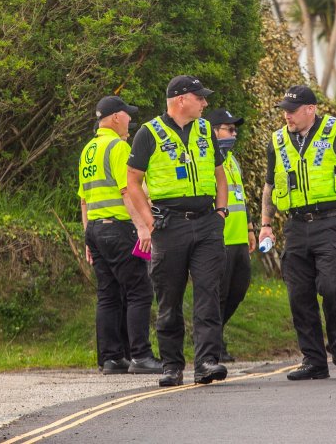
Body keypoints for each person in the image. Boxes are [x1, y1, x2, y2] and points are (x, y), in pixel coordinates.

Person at [258, 85, 336, 381]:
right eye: (284, 110)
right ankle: (313, 361)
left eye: (292, 111)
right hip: (295, 225)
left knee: (334, 287)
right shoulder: (278, 140)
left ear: (311, 109)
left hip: (331, 221)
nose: (287, 116)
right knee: (299, 294)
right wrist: (266, 224)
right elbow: (270, 184)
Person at [125, 76, 229, 387]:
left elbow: (219, 174)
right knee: (169, 297)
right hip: (169, 225)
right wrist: (148, 222)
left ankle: (207, 362)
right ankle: (172, 365)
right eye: (200, 98)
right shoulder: (149, 133)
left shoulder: (205, 130)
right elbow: (133, 181)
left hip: (207, 221)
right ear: (182, 99)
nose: (205, 103)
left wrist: (221, 212)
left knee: (209, 293)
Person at [78, 95, 162, 375]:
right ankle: (140, 355)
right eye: (127, 115)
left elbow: (84, 200)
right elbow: (128, 190)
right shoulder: (117, 147)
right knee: (139, 290)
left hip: (96, 229)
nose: (130, 120)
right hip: (120, 227)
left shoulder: (88, 150)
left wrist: (88, 236)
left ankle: (111, 358)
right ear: (115, 117)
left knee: (108, 294)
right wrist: (141, 227)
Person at [206, 108, 256, 363]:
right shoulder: (209, 161)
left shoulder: (232, 160)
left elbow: (241, 197)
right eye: (229, 129)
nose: (234, 134)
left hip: (238, 238)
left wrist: (249, 229)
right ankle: (213, 345)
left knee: (238, 290)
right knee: (220, 294)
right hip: (220, 239)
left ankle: (215, 335)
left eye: (235, 129)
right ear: (214, 132)